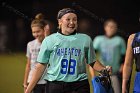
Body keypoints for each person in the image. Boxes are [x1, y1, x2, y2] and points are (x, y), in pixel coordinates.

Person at [25, 8, 111, 93]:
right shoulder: (49, 40)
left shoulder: (85, 39)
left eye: (74, 19)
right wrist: (28, 90)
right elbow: (40, 66)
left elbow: (92, 61)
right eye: (68, 19)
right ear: (60, 21)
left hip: (79, 85)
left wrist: (104, 69)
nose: (72, 22)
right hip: (56, 85)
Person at [93, 19, 126, 93]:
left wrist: (122, 65)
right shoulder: (98, 39)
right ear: (105, 27)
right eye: (110, 26)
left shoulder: (119, 40)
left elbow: (124, 56)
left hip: (115, 73)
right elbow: (91, 55)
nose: (111, 28)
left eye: (114, 27)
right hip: (102, 73)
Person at [23, 13, 50, 93]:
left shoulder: (50, 42)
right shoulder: (30, 44)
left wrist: (47, 36)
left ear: (44, 30)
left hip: (47, 80)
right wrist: (25, 83)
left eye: (38, 31)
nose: (36, 34)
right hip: (33, 81)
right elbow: (28, 65)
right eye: (33, 32)